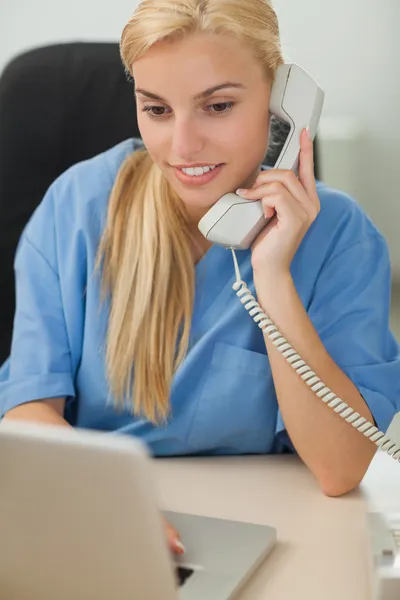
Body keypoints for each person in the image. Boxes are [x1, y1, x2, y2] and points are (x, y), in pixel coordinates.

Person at [1, 0, 400, 553]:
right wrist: (116, 509)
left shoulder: (340, 237)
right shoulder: (77, 205)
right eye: (157, 110)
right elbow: (26, 411)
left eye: (217, 106)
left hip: (282, 532)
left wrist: (273, 276)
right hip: (107, 529)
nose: (182, 146)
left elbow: (338, 470)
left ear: (284, 103)